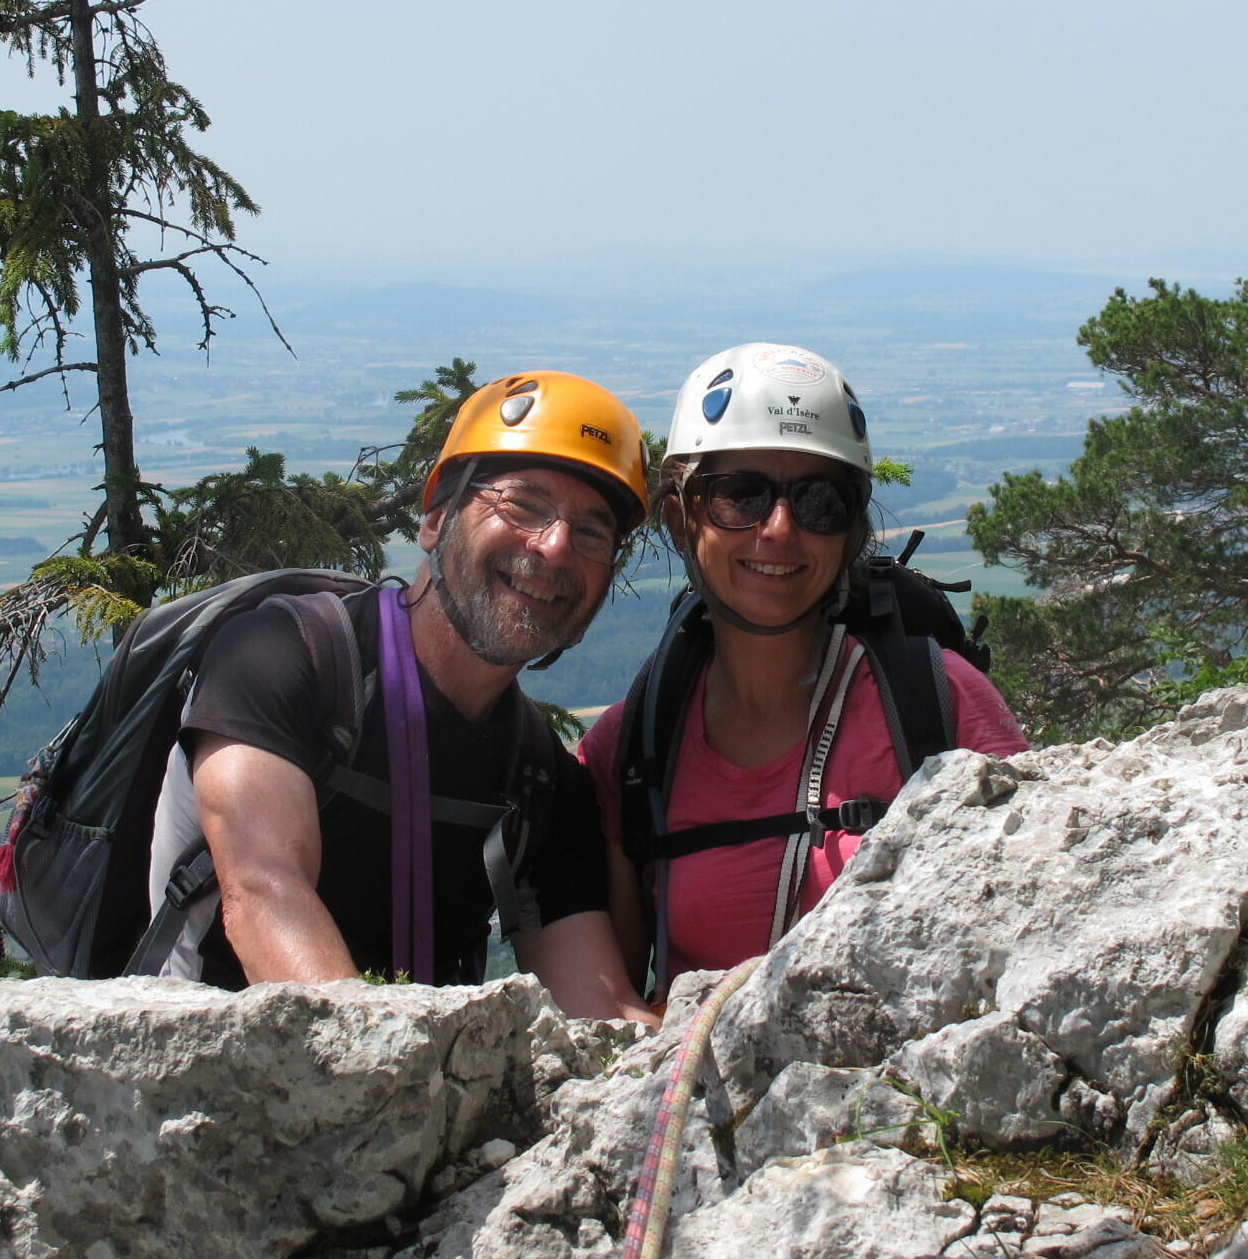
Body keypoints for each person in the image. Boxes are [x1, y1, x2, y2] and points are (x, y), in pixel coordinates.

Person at [149, 369, 658, 1022]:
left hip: (406, 1076)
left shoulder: (540, 783)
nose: (556, 546)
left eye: (591, 533)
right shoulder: (281, 659)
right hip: (214, 1065)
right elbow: (263, 892)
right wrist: (386, 1063)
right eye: (523, 504)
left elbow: (600, 1010)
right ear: (436, 520)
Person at [580, 342, 1027, 997]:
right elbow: (613, 1014)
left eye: (819, 501)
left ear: (850, 529)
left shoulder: (943, 705)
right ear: (680, 517)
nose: (780, 529)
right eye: (741, 496)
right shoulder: (632, 749)